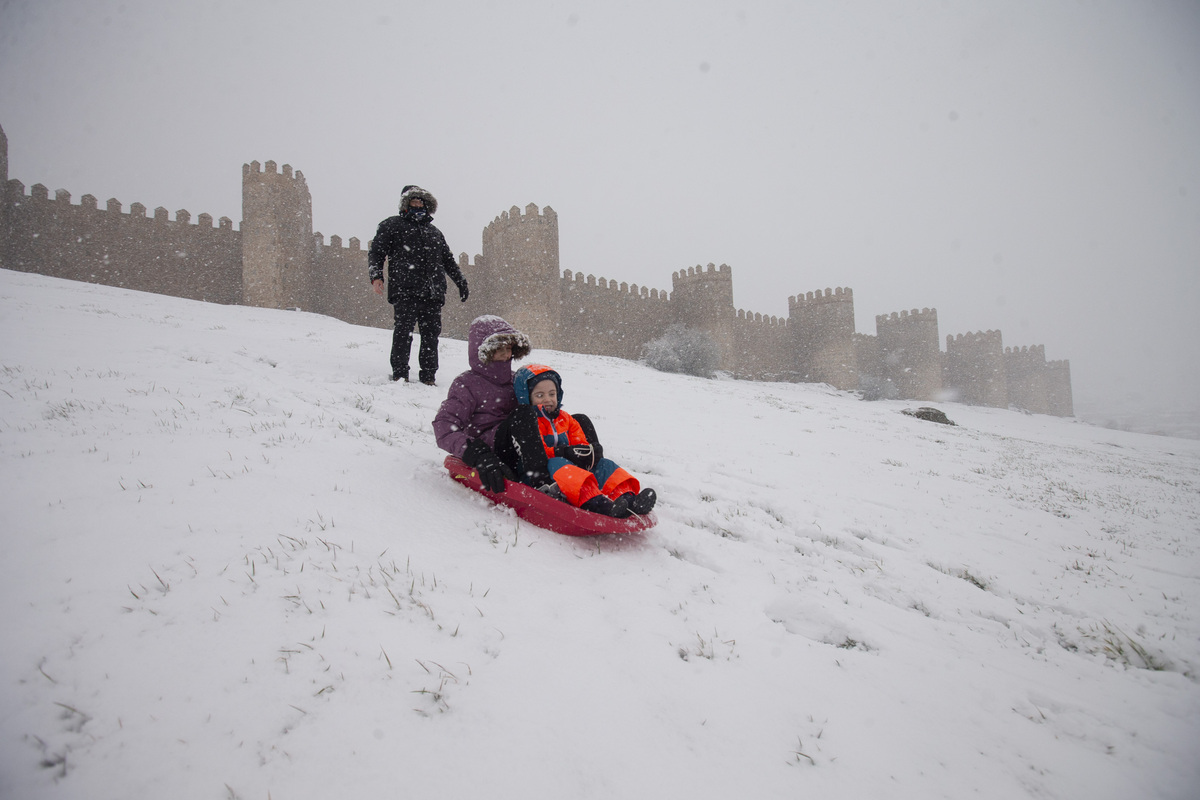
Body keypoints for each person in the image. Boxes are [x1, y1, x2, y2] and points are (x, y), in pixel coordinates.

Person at [504, 363, 657, 519]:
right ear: (527, 397)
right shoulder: (528, 422)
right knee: (560, 464)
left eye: (552, 394)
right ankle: (600, 504)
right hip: (546, 472)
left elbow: (580, 442)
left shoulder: (566, 419)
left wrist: (586, 453)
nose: (548, 399)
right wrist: (562, 452)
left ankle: (628, 499)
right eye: (540, 395)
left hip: (569, 468)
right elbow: (536, 453)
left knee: (604, 465)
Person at [369, 185, 469, 385]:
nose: (417, 204)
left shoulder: (435, 233)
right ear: (405, 204)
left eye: (421, 201)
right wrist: (376, 275)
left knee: (431, 336)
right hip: (405, 289)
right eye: (413, 201)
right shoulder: (392, 225)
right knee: (403, 333)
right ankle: (399, 373)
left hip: (432, 293)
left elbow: (447, 260)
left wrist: (460, 281)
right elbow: (377, 252)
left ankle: (429, 376)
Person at [433, 315, 531, 493]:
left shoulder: (516, 379)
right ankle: (537, 477)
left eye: (509, 348)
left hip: (524, 442)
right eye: (499, 349)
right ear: (484, 351)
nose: (506, 354)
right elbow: (444, 427)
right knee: (523, 417)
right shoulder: (467, 384)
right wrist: (477, 453)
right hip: (491, 446)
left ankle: (584, 461)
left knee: (577, 419)